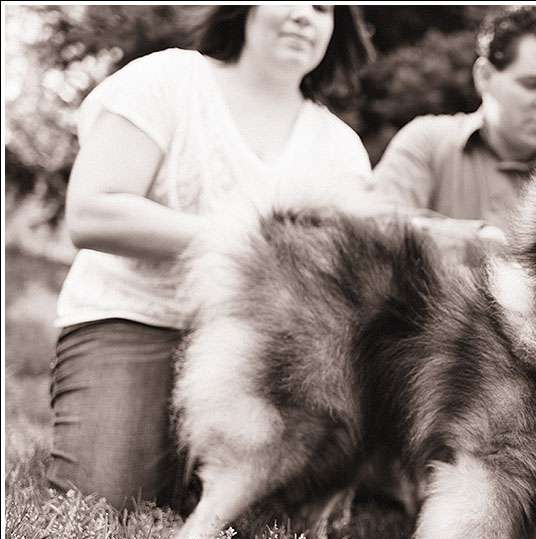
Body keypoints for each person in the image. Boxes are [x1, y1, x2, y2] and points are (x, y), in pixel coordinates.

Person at [48, 5, 374, 511]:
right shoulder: (168, 80)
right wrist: (248, 241)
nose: (304, 16)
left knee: (263, 522)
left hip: (263, 351)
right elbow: (93, 213)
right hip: (135, 318)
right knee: (104, 502)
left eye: (322, 7)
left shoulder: (341, 149)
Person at [370, 5, 536, 259]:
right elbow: (374, 227)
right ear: (484, 76)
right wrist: (476, 244)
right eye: (532, 84)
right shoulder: (425, 141)